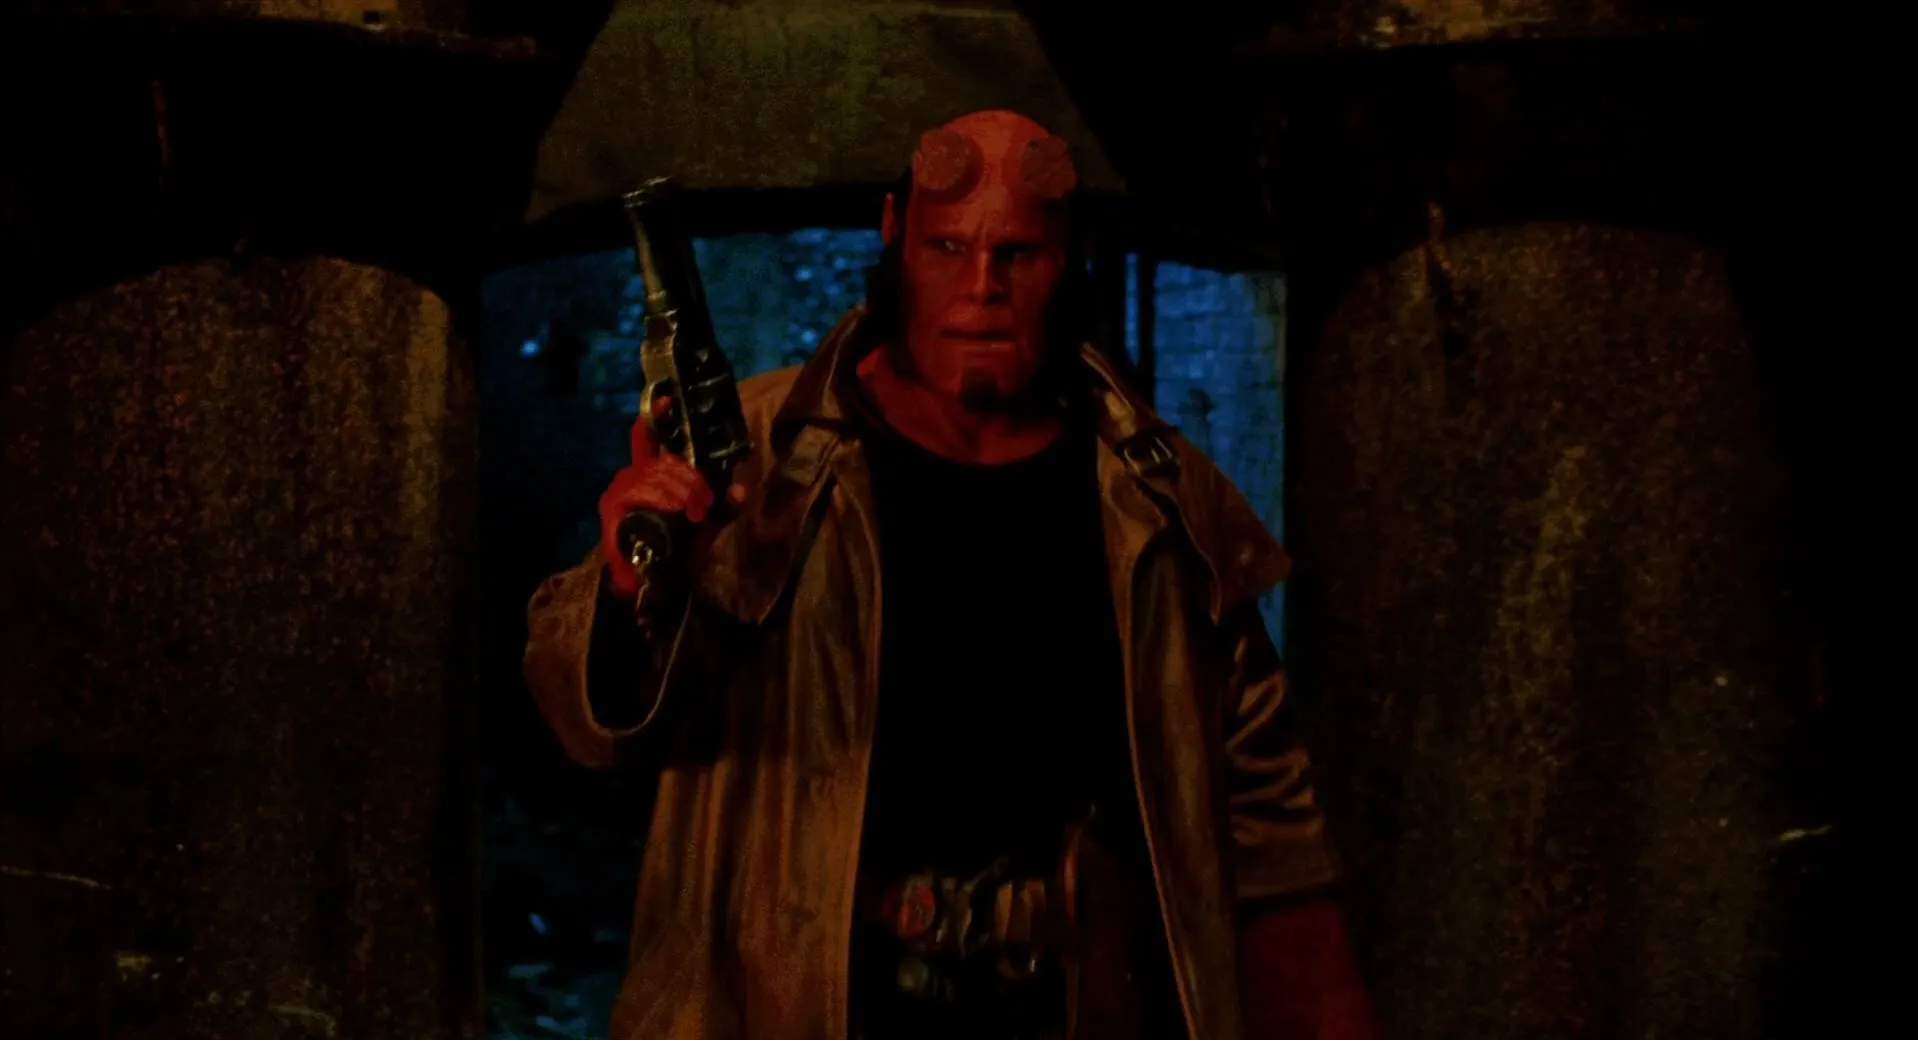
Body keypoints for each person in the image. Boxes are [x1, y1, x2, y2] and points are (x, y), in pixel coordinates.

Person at [524, 109, 1376, 1040]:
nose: (980, 287)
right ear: (895, 234)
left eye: (1017, 253)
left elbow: (1272, 845)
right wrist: (629, 591)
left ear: (1072, 256)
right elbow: (583, 714)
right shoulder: (759, 463)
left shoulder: (1158, 502)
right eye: (947, 247)